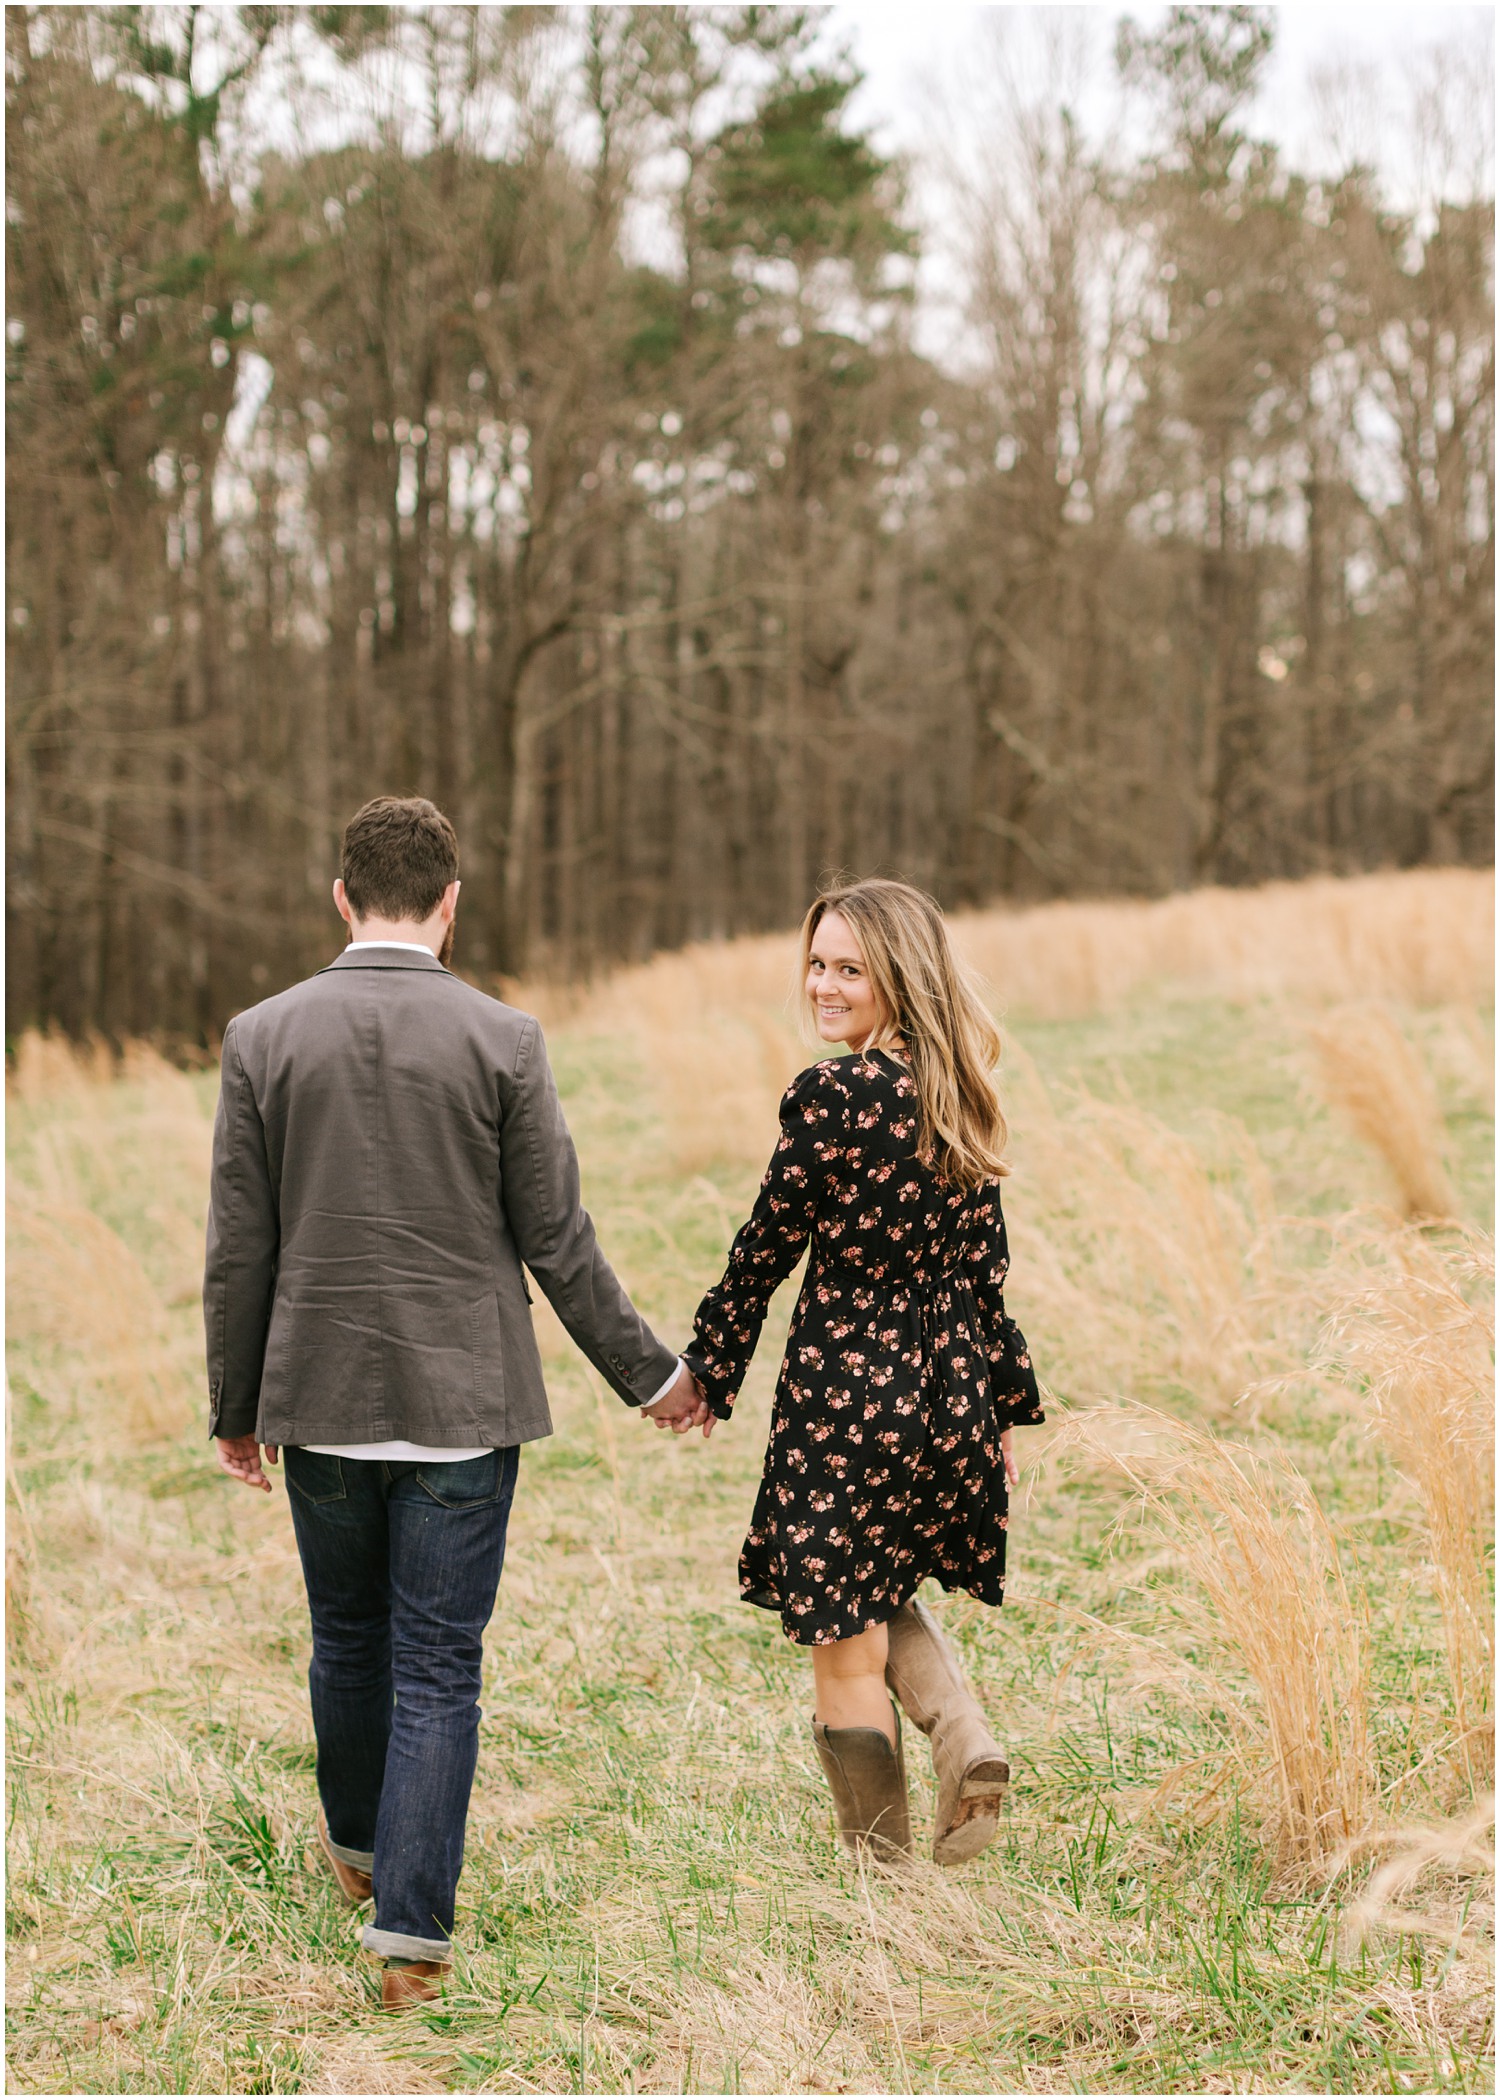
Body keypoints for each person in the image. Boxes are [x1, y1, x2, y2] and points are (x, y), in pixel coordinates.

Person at [204, 795, 708, 2009]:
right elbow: (558, 1239)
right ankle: (411, 1940)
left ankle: (362, 1855)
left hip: (316, 1399)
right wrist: (656, 1374)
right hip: (464, 1406)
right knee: (437, 1664)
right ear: (450, 901)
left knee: (347, 1640)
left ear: (341, 897)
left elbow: (239, 1250)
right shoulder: (506, 1039)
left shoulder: (260, 1037)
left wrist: (235, 1404)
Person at [682, 878, 1045, 1864]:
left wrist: (709, 1369)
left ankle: (887, 1901)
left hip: (850, 1394)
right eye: (817, 963)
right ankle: (961, 1732)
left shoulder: (833, 1094)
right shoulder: (957, 1091)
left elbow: (768, 1244)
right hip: (948, 1393)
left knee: (842, 1647)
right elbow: (985, 1278)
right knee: (874, 1582)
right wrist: (1002, 1412)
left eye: (850, 969)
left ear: (898, 978)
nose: (825, 985)